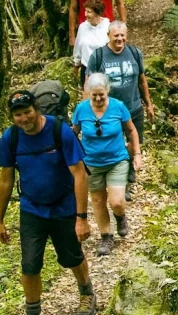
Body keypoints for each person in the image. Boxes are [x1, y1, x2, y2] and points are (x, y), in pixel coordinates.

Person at [0, 91, 98, 315]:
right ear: (12, 117)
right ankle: (32, 310)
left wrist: (82, 218)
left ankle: (86, 292)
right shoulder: (10, 138)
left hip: (64, 206)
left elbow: (80, 175)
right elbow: (6, 180)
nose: (24, 118)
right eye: (18, 114)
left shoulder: (60, 131)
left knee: (72, 256)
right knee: (30, 264)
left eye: (27, 112)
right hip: (31, 209)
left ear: (37, 109)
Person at [71, 73, 143, 256]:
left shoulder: (118, 107)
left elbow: (132, 130)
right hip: (91, 163)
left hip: (116, 160)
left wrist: (137, 153)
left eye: (101, 94)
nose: (97, 98)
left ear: (107, 91)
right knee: (97, 200)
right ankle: (106, 236)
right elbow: (73, 134)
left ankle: (120, 216)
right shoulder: (81, 109)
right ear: (88, 93)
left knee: (116, 201)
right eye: (94, 95)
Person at [83, 22, 154, 138]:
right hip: (108, 112)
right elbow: (87, 85)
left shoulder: (135, 53)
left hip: (134, 109)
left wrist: (148, 104)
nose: (119, 39)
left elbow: (142, 81)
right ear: (108, 35)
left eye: (122, 35)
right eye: (116, 36)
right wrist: (87, 112)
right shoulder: (98, 56)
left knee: (135, 147)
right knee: (113, 148)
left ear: (127, 35)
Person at [73, 0, 112, 85]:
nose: (85, 14)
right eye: (85, 11)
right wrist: (76, 64)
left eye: (89, 12)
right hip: (86, 68)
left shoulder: (108, 26)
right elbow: (78, 47)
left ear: (97, 13)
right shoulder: (82, 27)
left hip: (103, 68)